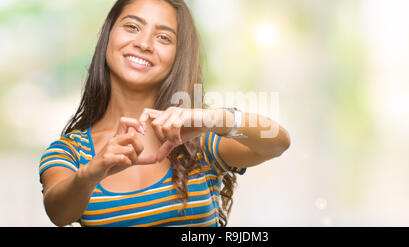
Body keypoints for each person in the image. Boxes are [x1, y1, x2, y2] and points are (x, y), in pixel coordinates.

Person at [39, 0, 290, 227]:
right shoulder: (69, 151)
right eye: (132, 27)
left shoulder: (197, 139)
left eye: (163, 38)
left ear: (177, 57)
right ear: (108, 35)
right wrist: (93, 170)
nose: (144, 44)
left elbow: (277, 143)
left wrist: (213, 118)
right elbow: (59, 214)